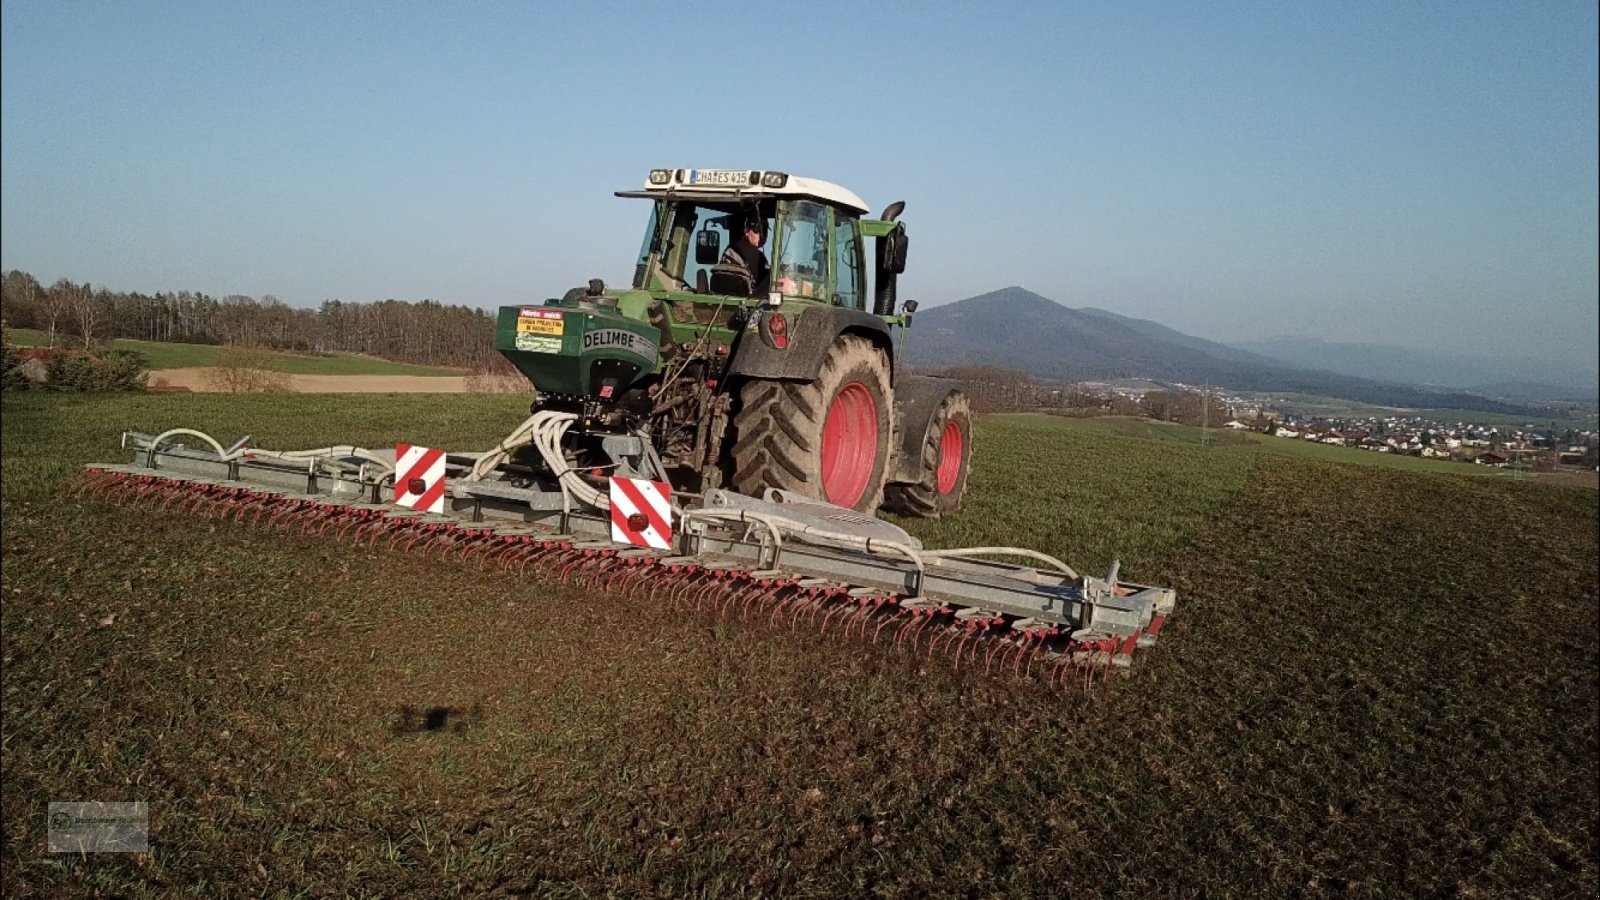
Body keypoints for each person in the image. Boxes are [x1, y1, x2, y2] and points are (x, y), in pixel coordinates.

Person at [714, 211, 797, 297]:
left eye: (764, 230)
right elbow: (764, 284)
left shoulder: (731, 250)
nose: (761, 235)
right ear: (746, 231)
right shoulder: (751, 253)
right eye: (756, 230)